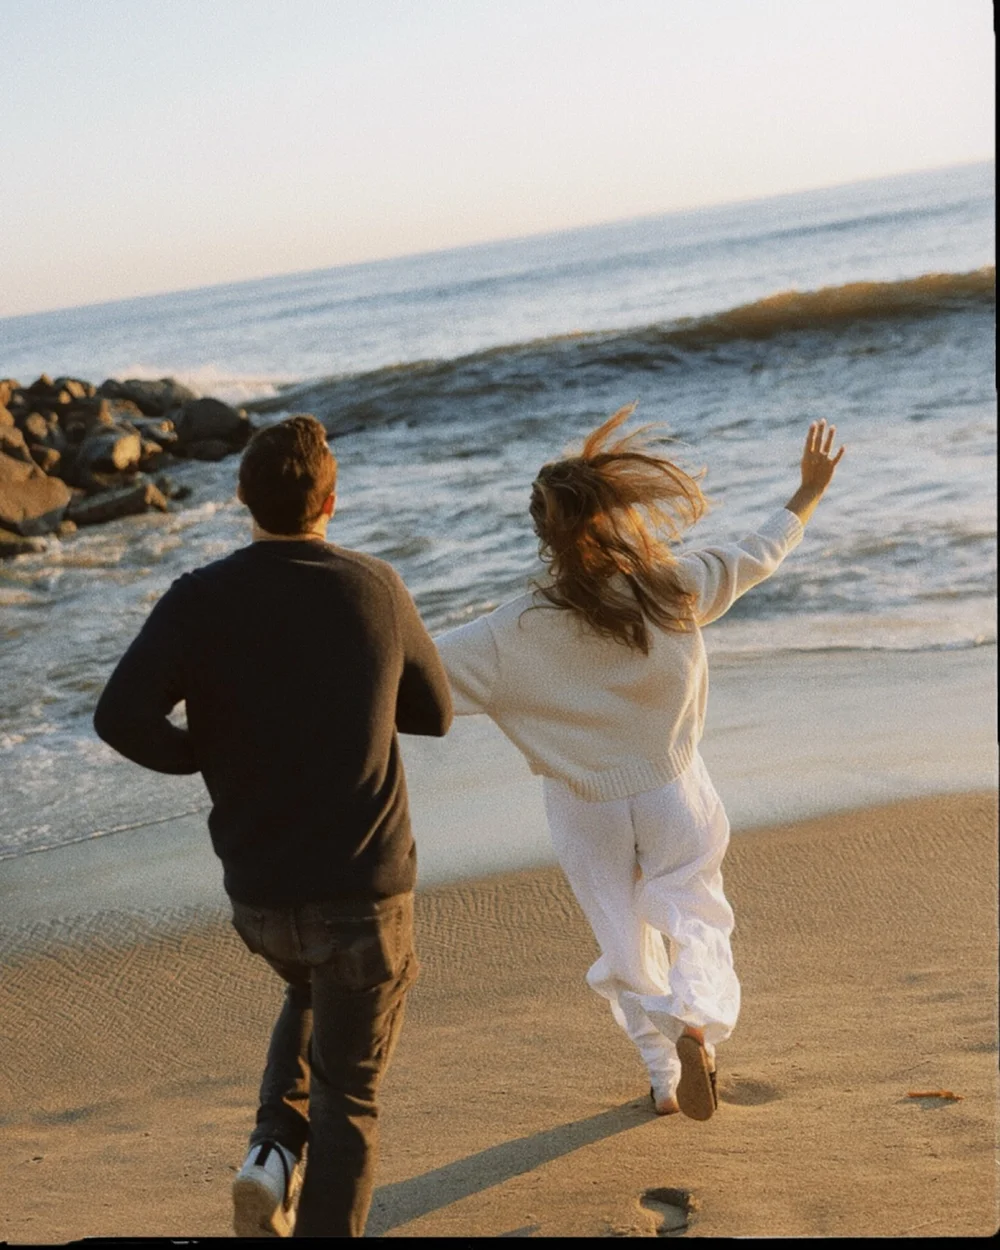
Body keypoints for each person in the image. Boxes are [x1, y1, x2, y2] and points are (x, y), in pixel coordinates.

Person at [93, 414, 452, 1237]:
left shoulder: (196, 598)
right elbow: (434, 713)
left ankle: (272, 1154)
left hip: (260, 899)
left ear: (241, 498)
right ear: (331, 502)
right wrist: (355, 700)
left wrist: (204, 755)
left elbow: (119, 716)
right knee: (349, 1098)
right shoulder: (374, 587)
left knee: (309, 986)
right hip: (362, 896)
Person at [434, 405, 843, 1121]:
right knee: (695, 912)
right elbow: (757, 554)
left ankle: (663, 1078)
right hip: (673, 790)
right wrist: (808, 491)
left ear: (544, 535)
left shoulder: (506, 633)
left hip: (583, 805)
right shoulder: (671, 586)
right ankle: (695, 1020)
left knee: (623, 943)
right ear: (616, 515)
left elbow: (409, 673)